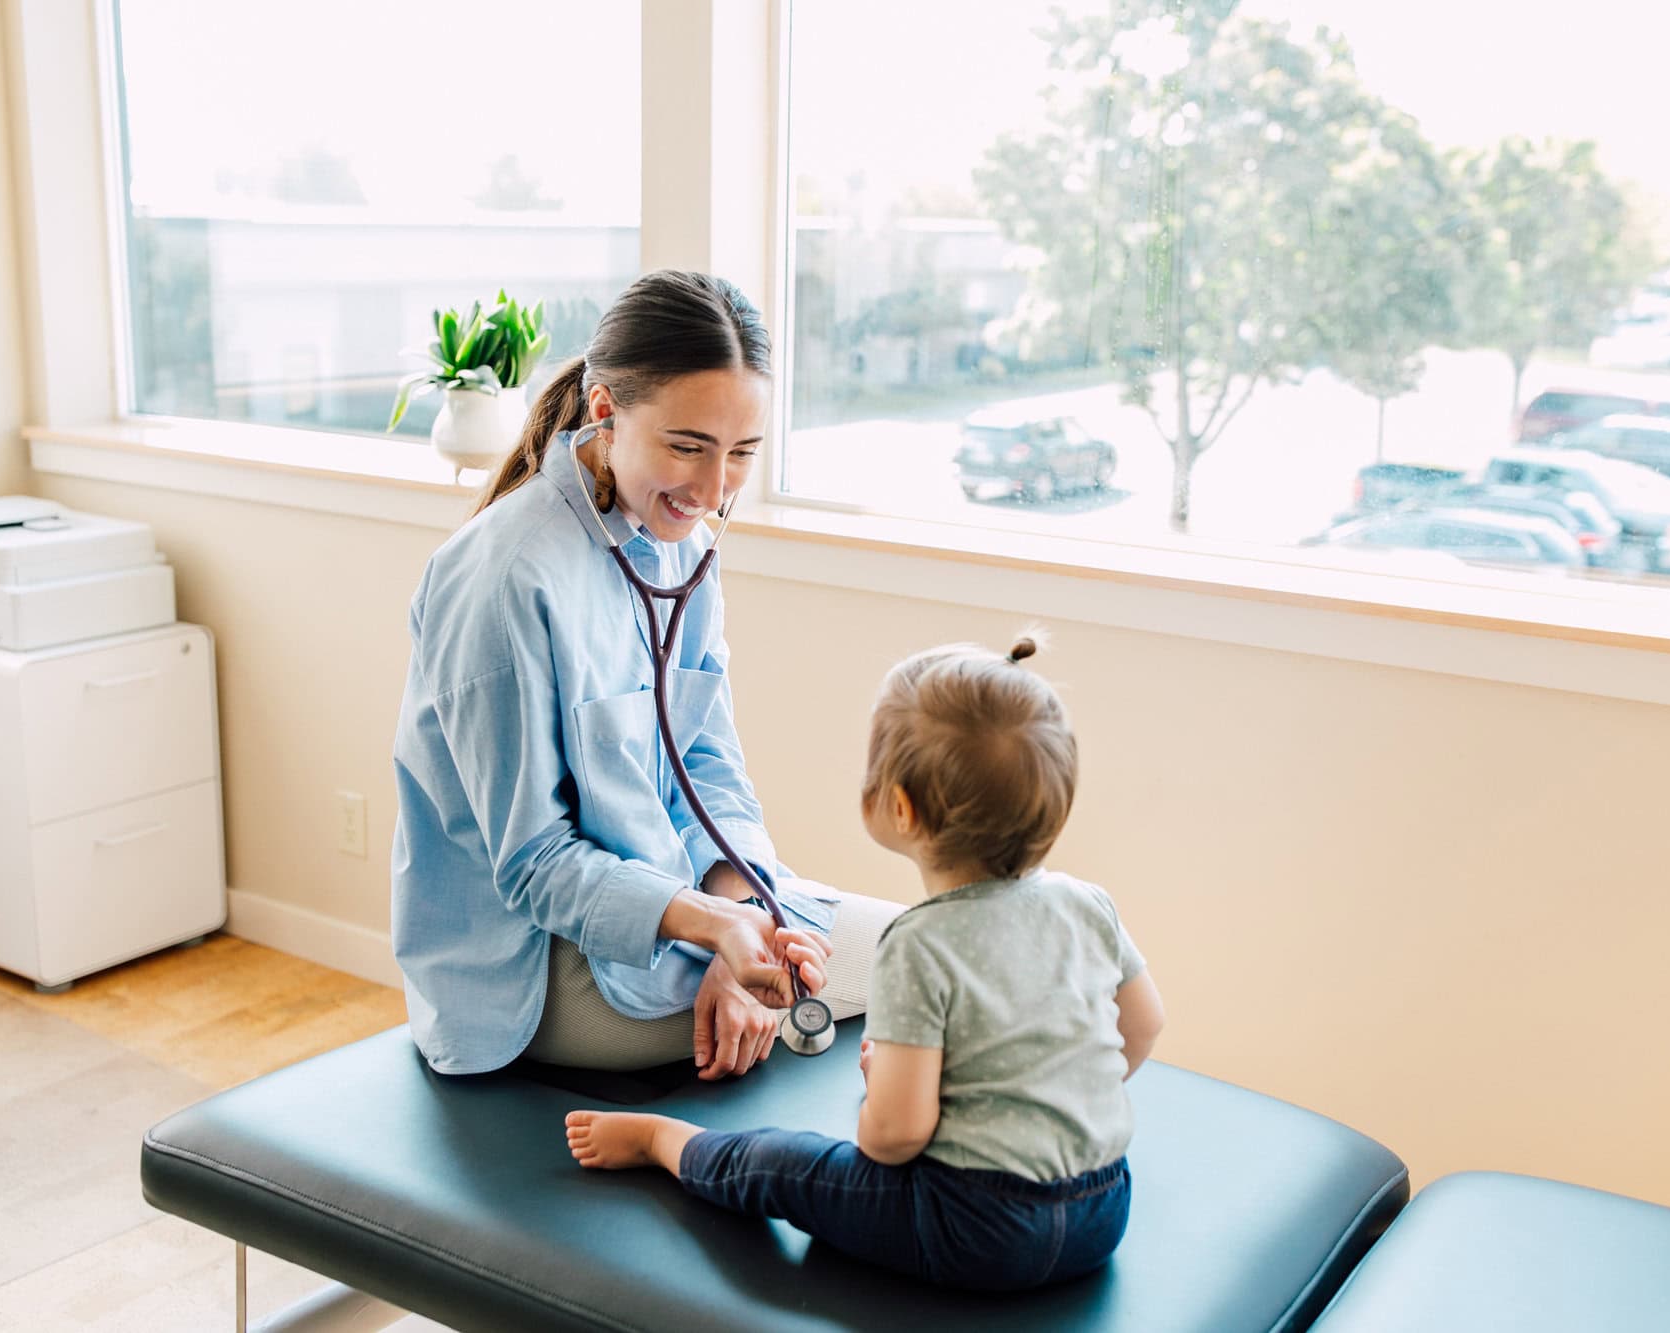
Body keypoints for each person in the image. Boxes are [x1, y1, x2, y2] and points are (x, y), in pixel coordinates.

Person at [392, 270, 905, 1078]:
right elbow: (534, 865)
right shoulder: (503, 578)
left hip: (684, 916)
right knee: (936, 971)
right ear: (605, 412)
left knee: (931, 951)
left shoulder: (684, 547)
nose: (711, 489)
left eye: (741, 453)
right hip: (546, 972)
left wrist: (739, 927)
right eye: (687, 446)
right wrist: (713, 937)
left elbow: (709, 768)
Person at [564, 636, 1167, 1291]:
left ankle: (664, 1142)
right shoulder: (1086, 903)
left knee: (780, 1162)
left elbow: (894, 1138)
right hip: (1103, 1206)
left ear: (900, 808)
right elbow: (1141, 1027)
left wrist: (888, 1087)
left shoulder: (920, 943)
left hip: (973, 1227)